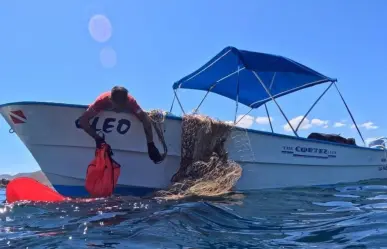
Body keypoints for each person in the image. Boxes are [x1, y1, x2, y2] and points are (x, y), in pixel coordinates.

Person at [78, 86, 163, 164]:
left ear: (126, 101)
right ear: (111, 100)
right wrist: (98, 139)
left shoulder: (131, 102)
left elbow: (145, 119)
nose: (119, 110)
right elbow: (83, 121)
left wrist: (150, 144)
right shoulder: (101, 101)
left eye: (123, 106)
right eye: (117, 107)